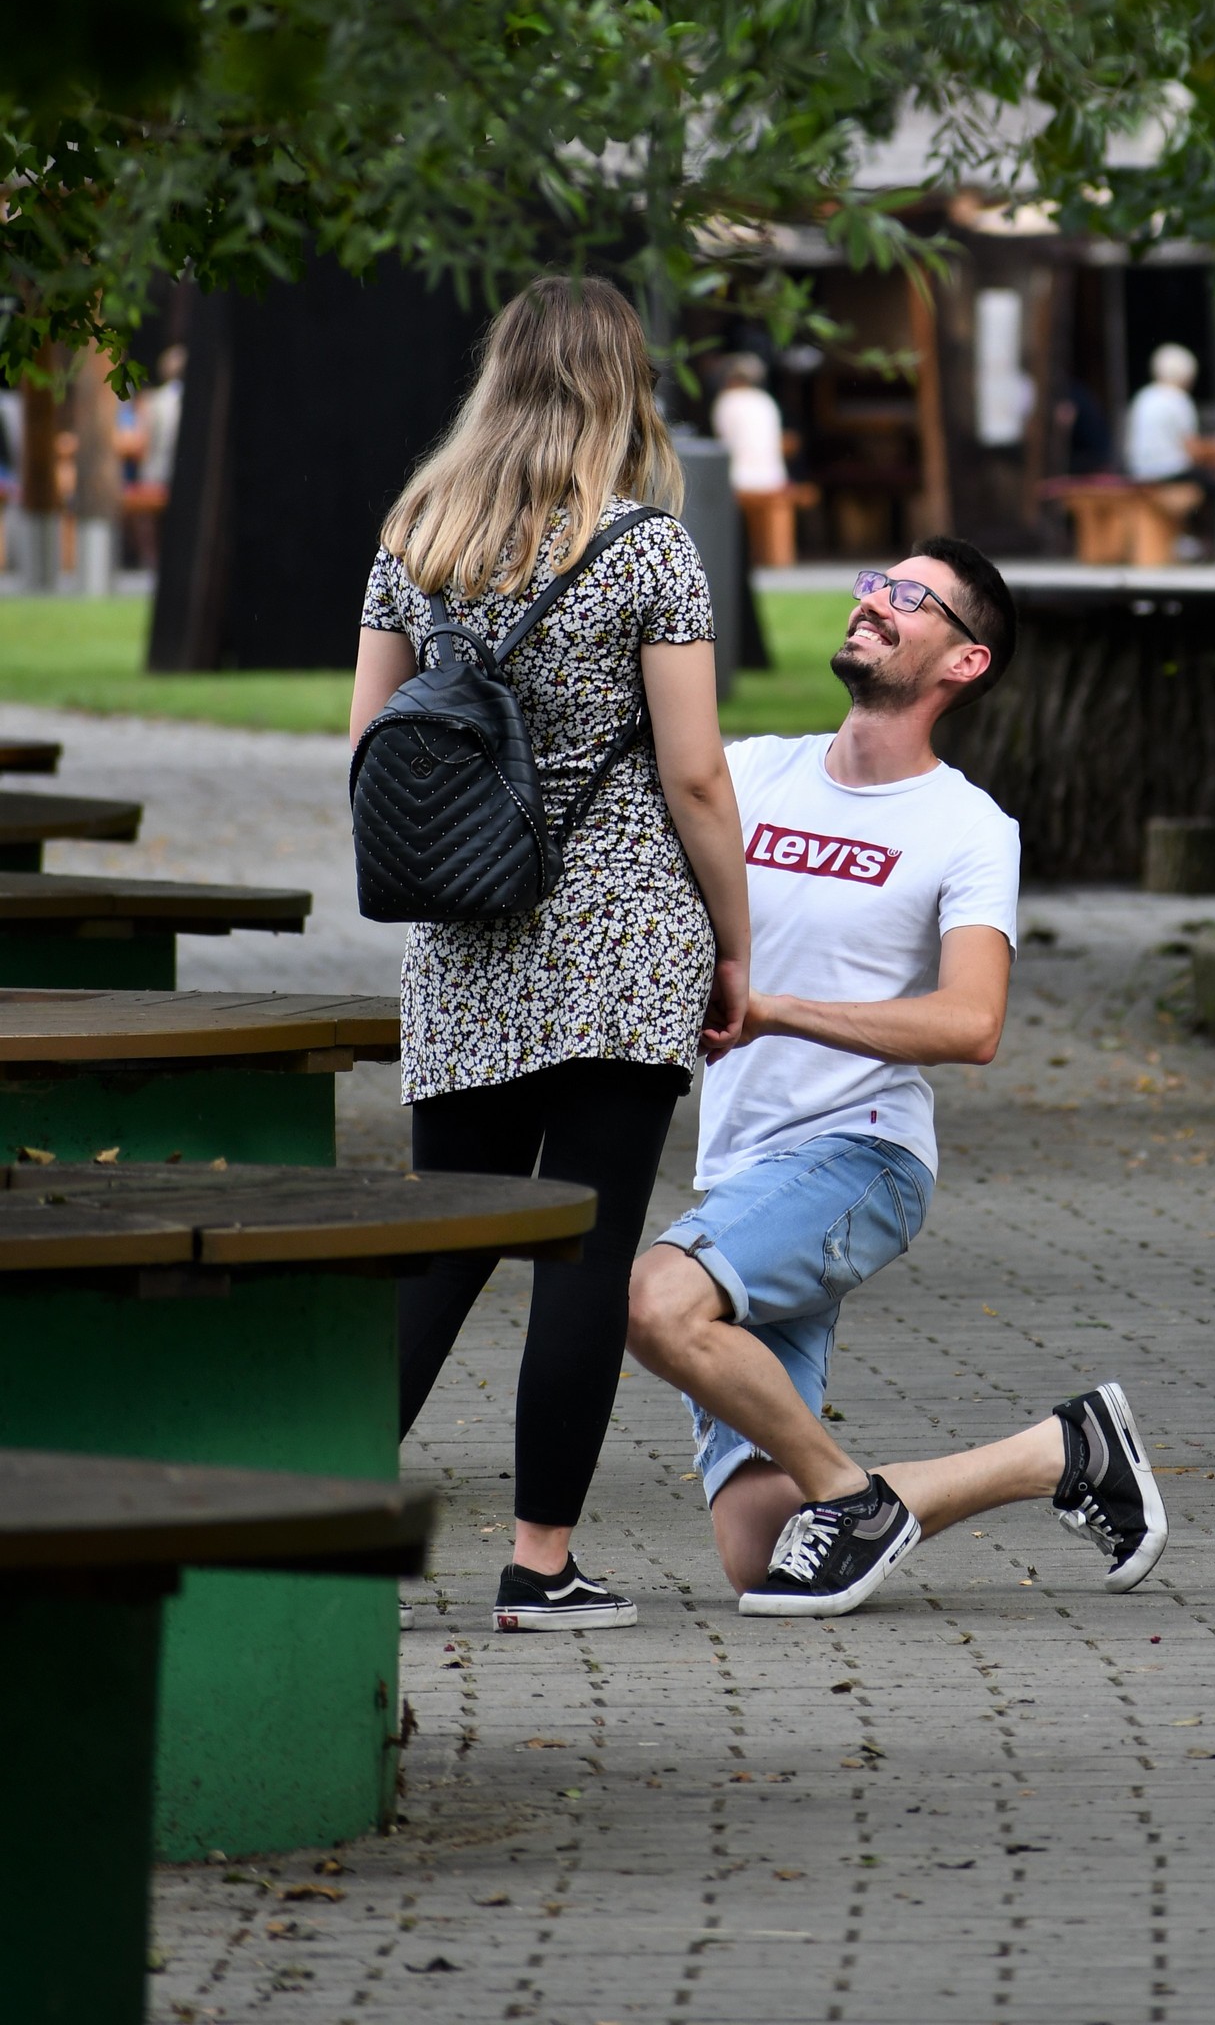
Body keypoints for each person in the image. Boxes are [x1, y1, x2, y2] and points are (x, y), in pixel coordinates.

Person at [626, 539, 1169, 1617]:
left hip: (857, 1156)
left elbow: (971, 1022)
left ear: (963, 664)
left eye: (910, 599)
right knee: (760, 1549)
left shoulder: (965, 828)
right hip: (739, 1174)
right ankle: (1055, 1454)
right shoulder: (746, 771)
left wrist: (770, 1008)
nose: (873, 600)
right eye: (876, 581)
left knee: (652, 1302)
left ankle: (850, 1498)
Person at [350, 275, 752, 1633]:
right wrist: (736, 947)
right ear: (621, 383)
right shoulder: (647, 550)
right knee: (585, 1248)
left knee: (443, 1240)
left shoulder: (417, 534)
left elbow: (367, 746)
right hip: (622, 935)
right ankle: (539, 1565)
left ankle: (320, 1521)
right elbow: (695, 777)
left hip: (461, 935)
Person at [1122, 342, 1202, 484]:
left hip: (1138, 472)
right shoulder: (1179, 399)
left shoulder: (1143, 395)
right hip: (1170, 473)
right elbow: (1192, 448)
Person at [711, 352, 788, 497]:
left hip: (738, 481)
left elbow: (723, 442)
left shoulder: (727, 400)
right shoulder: (765, 400)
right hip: (773, 479)